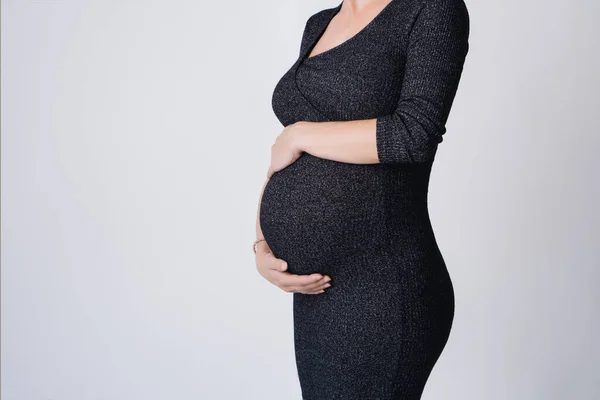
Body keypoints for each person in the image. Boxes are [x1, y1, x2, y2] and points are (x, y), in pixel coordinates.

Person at [254, 0, 470, 398]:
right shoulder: (319, 23)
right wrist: (262, 242)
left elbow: (413, 134)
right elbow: (285, 155)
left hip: (382, 286)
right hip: (317, 295)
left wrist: (299, 134)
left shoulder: (432, 9)